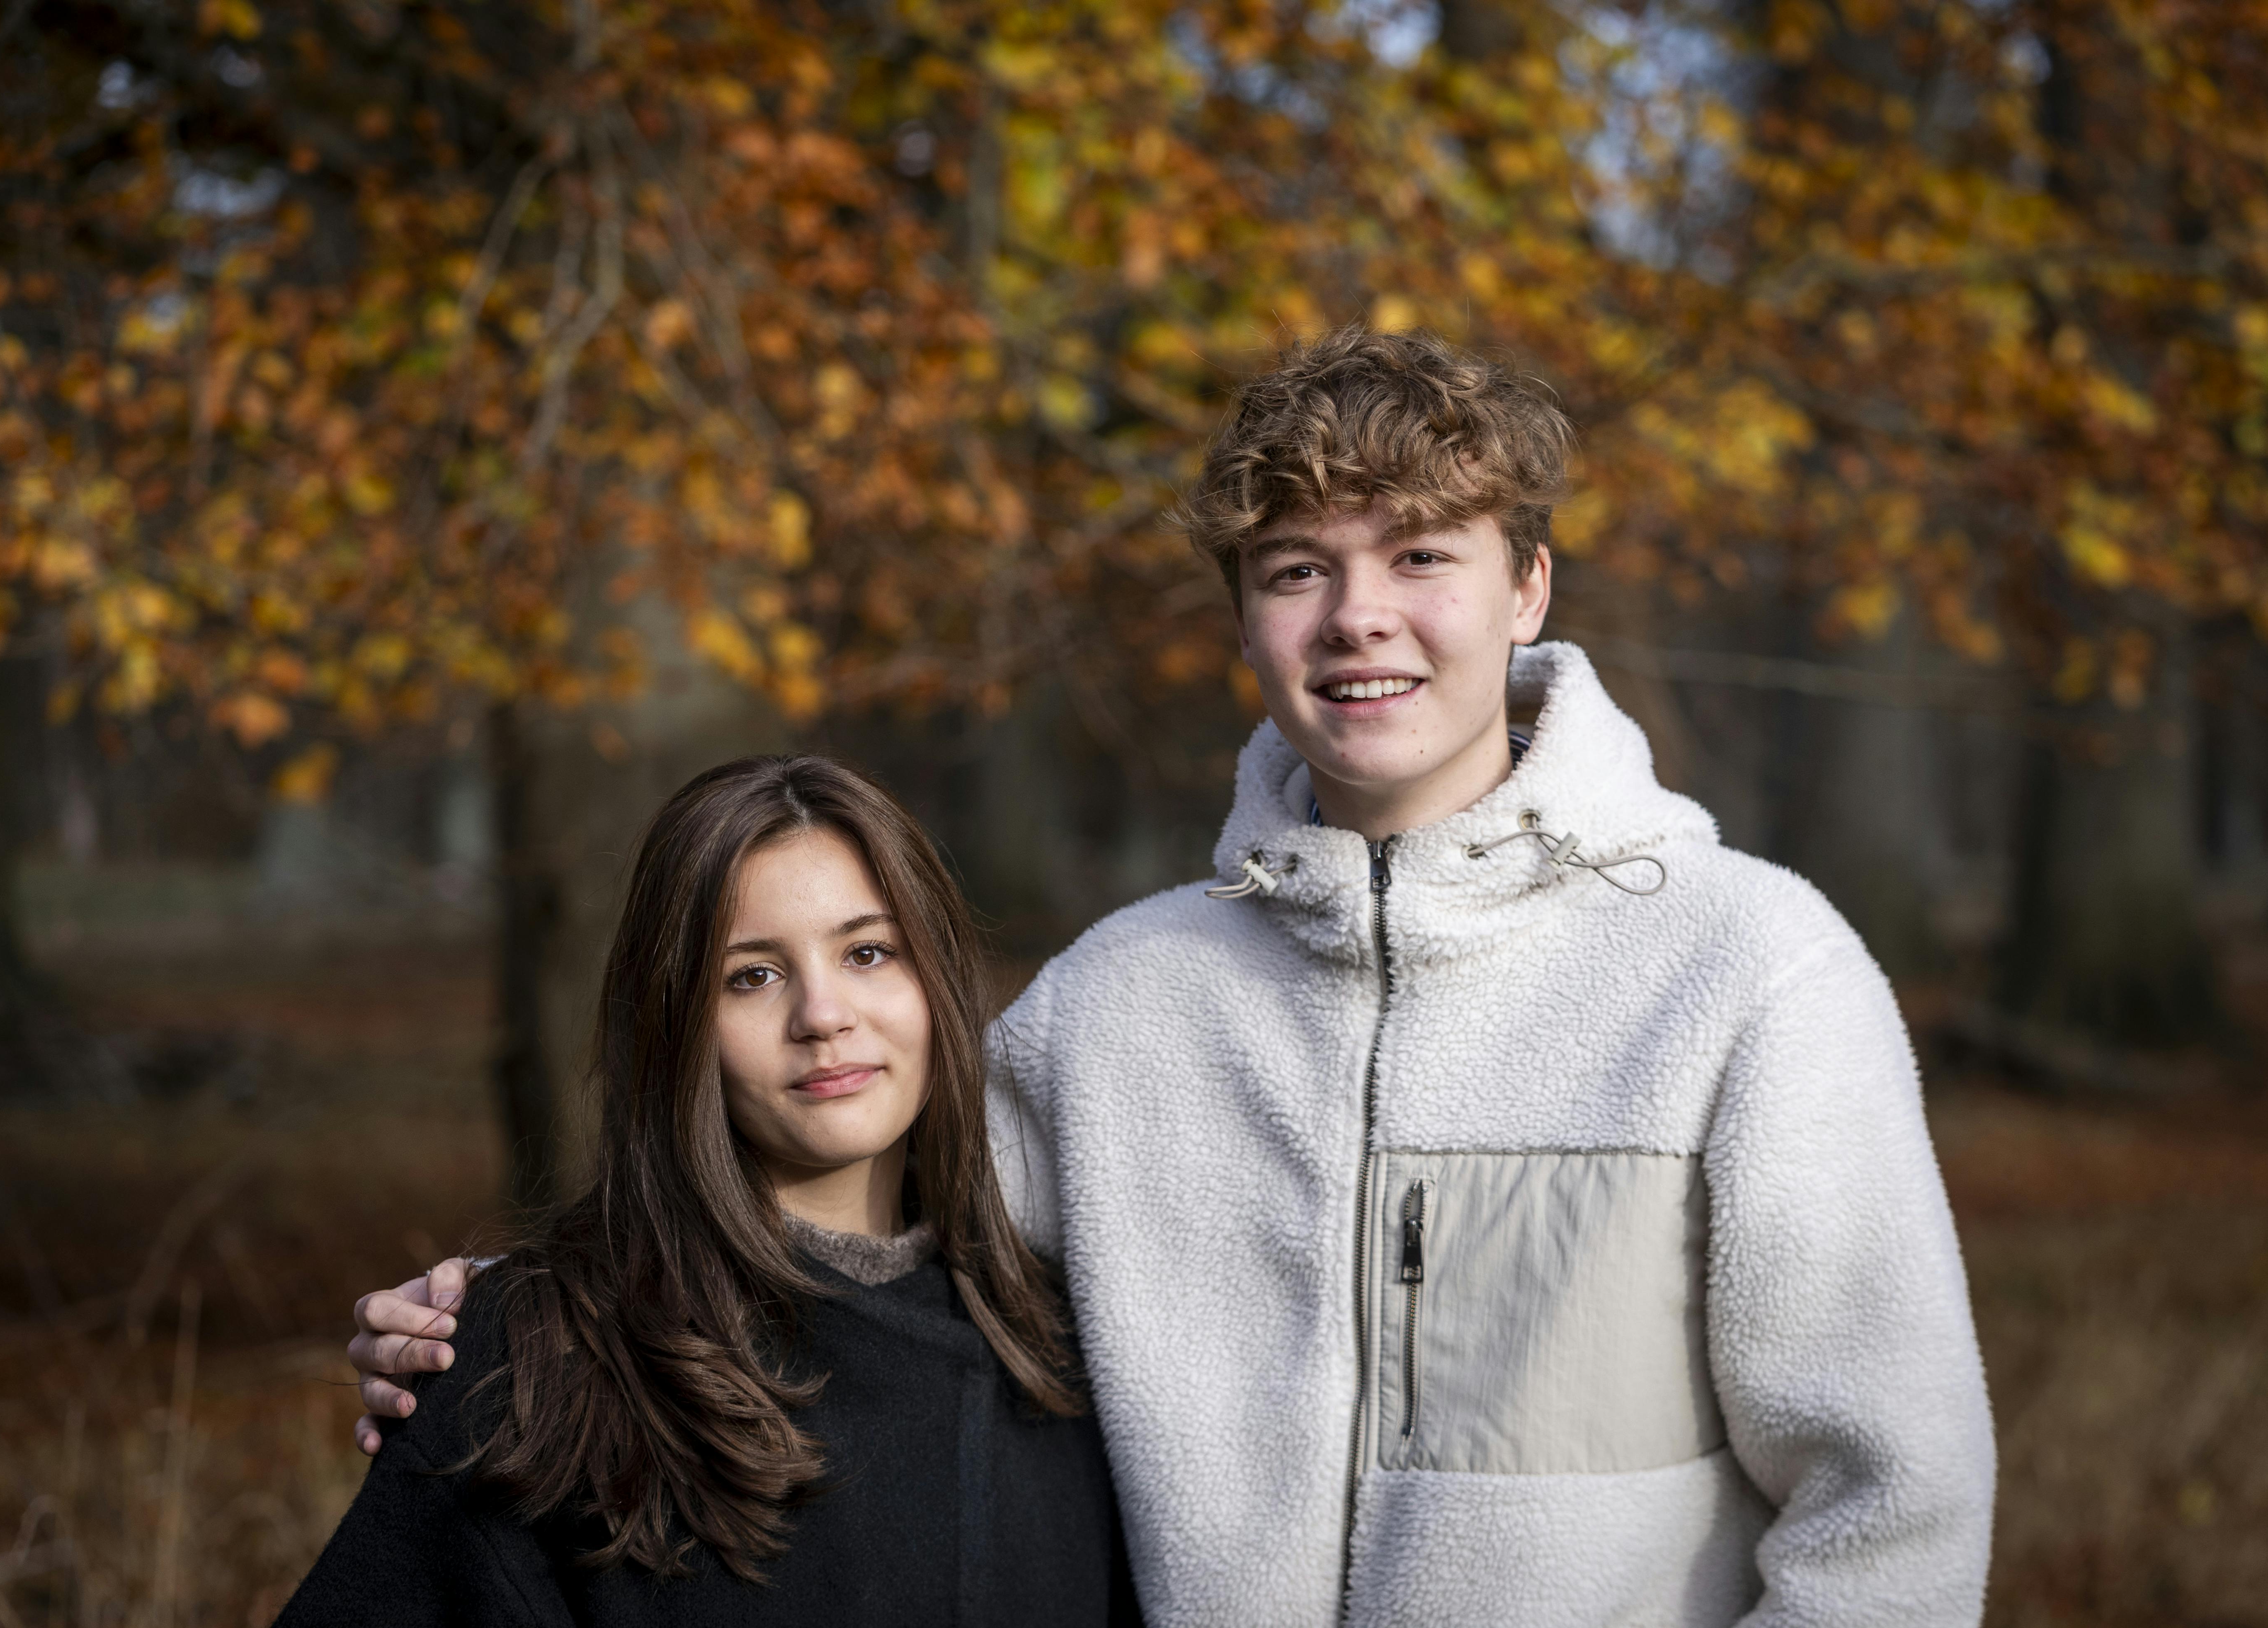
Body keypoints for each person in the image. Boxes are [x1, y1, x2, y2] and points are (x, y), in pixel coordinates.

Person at [347, 327, 1996, 1626]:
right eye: (1297, 569)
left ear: (1528, 585)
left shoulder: (1748, 973)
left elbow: (1894, 1515)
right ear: (1247, 617)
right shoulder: (1116, 1007)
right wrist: (515, 1340)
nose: (1360, 617)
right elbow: (853, 1272)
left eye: (1421, 555)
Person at [283, 756, 1137, 1626]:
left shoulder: (1069, 1343)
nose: (824, 1015)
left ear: (938, 980)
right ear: (676, 1023)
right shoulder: (543, 1358)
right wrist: (495, 1333)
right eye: (752, 975)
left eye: (869, 952)